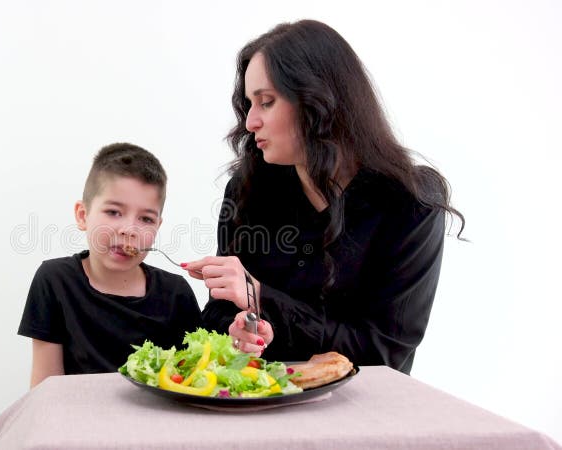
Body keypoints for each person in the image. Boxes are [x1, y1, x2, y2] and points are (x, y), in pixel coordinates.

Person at [183, 20, 464, 374]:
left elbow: (384, 352)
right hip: (259, 403)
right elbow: (223, 311)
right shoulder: (247, 188)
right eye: (249, 104)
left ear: (319, 101)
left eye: (266, 102)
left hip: (361, 414)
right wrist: (236, 330)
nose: (251, 120)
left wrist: (262, 297)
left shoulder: (411, 202)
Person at [19, 143, 202, 387]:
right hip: (76, 421)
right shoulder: (55, 280)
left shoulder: (176, 292)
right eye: (114, 212)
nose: (129, 230)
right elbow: (45, 389)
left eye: (146, 219)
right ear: (83, 215)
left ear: (157, 227)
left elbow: (193, 383)